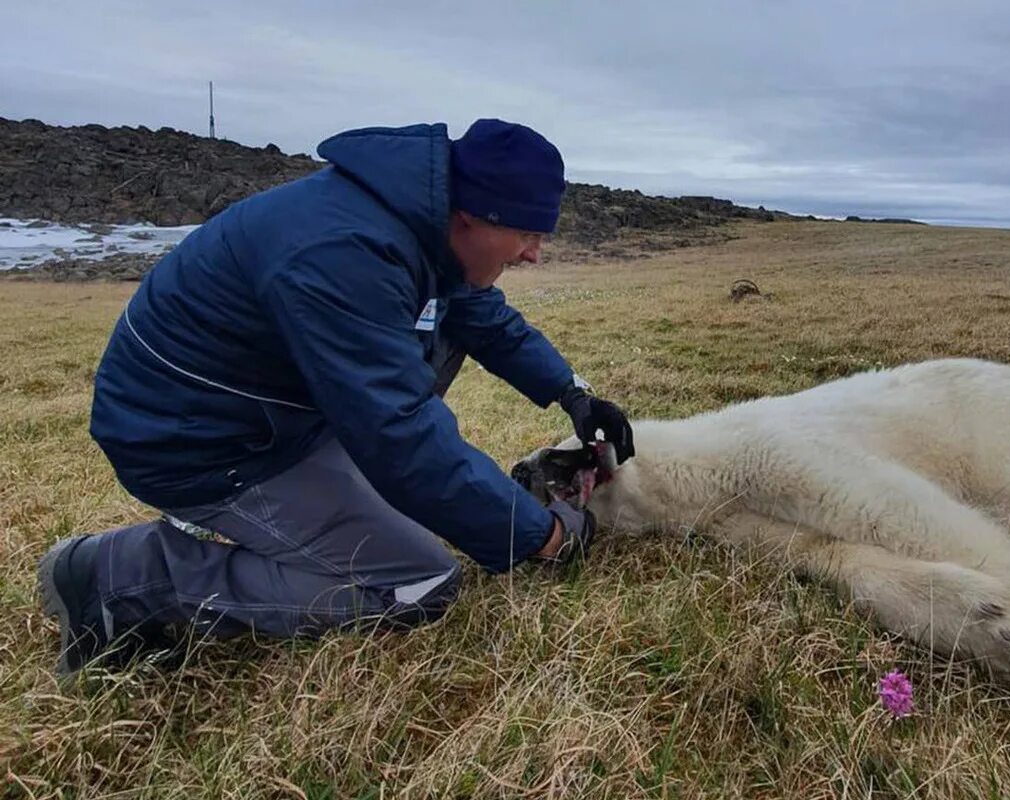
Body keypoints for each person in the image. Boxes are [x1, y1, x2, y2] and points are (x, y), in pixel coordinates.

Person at [36, 118, 635, 677]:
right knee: (418, 581)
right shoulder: (344, 253)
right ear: (472, 215)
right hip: (196, 441)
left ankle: (339, 499)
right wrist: (541, 537)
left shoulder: (418, 228)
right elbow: (397, 431)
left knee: (434, 387)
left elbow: (482, 319)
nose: (534, 253)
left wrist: (573, 394)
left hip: (266, 415)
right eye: (528, 232)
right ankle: (117, 578)